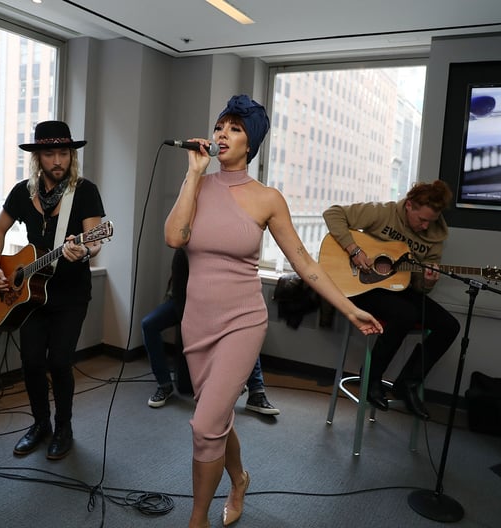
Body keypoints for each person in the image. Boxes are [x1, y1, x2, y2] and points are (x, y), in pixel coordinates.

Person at [164, 94, 382, 528]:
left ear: (252, 144)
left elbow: (305, 262)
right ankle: (239, 478)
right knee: (217, 414)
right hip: (197, 320)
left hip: (242, 321)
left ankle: (197, 519)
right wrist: (192, 175)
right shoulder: (199, 185)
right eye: (221, 126)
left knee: (205, 424)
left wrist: (349, 309)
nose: (223, 134)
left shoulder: (268, 199)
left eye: (236, 128)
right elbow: (174, 237)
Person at [0, 120, 105, 460]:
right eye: (50, 153)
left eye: (64, 153)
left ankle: (63, 426)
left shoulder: (84, 191)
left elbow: (95, 240)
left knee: (60, 361)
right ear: (38, 157)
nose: (58, 160)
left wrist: (83, 250)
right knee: (32, 362)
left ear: (71, 156)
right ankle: (41, 424)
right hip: (31, 295)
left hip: (70, 294)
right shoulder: (23, 192)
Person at [322, 180, 461, 421]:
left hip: (399, 289)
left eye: (431, 221)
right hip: (362, 286)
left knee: (450, 326)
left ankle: (407, 384)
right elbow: (333, 213)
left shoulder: (435, 237)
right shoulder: (383, 212)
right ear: (409, 206)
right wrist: (355, 250)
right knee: (405, 314)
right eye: (422, 220)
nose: (426, 226)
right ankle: (371, 378)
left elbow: (418, 288)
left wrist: (428, 281)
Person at [142, 249, 280, 415]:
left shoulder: (221, 248)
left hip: (213, 304)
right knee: (148, 325)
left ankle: (256, 392)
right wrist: (191, 322)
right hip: (181, 302)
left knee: (245, 327)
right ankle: (164, 384)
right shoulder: (183, 247)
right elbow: (179, 290)